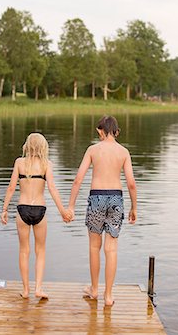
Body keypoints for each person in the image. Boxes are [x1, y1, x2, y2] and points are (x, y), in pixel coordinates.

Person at [67, 115, 137, 306]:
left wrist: (71, 206)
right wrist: (134, 207)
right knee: (111, 248)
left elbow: (78, 180)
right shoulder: (123, 152)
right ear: (116, 131)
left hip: (96, 197)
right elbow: (131, 184)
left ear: (100, 131)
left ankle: (95, 289)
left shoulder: (93, 150)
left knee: (94, 247)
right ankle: (108, 296)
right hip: (116, 198)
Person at [1, 132, 71, 299]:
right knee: (40, 251)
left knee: (24, 251)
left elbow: (11, 188)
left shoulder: (19, 163)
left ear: (27, 146)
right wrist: (63, 211)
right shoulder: (47, 164)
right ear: (43, 147)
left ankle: (25, 290)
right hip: (40, 209)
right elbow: (52, 189)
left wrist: (4, 210)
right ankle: (38, 288)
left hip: (22, 209)